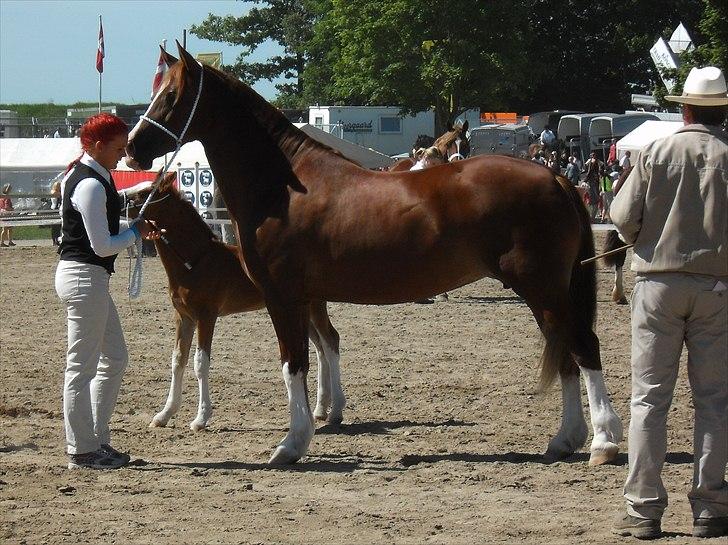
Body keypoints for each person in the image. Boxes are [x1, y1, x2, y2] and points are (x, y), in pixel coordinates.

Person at [610, 66, 728, 540]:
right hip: (718, 287)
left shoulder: (657, 150)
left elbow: (622, 216)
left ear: (685, 108)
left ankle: (643, 509)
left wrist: (643, 237)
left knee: (649, 399)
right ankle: (710, 505)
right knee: (715, 401)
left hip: (658, 283)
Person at [56, 113, 161, 470]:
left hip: (88, 278)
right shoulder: (89, 184)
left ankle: (96, 439)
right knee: (80, 368)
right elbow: (101, 244)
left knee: (114, 358)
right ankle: (82, 449)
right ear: (98, 146)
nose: (121, 155)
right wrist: (134, 232)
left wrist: (132, 221)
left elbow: (96, 227)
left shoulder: (87, 176)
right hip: (85, 277)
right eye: (117, 148)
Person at [50, 180, 62, 246]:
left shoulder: (60, 192)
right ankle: (54, 240)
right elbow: (56, 194)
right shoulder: (53, 191)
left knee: (59, 226)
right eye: (58, 186)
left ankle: (58, 239)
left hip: (59, 209)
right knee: (54, 226)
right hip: (54, 209)